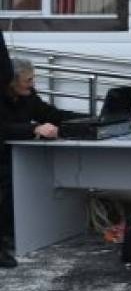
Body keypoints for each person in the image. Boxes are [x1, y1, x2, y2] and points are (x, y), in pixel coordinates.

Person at [0, 58, 84, 268]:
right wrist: (34, 129)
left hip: (20, 155)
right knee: (8, 183)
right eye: (28, 80)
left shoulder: (28, 96)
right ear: (12, 82)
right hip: (4, 157)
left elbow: (52, 115)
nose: (32, 84)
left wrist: (88, 119)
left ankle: (22, 231)